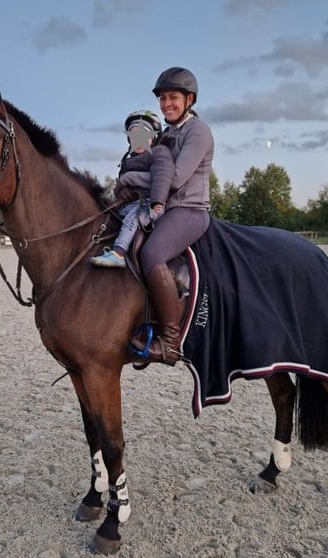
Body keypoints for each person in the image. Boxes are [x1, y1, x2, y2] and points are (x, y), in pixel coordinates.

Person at [120, 67, 214, 365]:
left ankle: (171, 341)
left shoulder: (197, 131)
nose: (165, 104)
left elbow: (174, 180)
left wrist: (130, 181)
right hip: (161, 208)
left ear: (189, 99)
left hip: (188, 210)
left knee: (152, 254)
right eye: (162, 98)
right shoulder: (167, 133)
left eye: (172, 97)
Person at [90, 110, 174, 268]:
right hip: (131, 205)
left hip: (151, 205)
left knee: (134, 217)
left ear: (153, 138)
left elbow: (162, 175)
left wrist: (157, 201)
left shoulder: (159, 153)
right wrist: (121, 193)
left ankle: (119, 253)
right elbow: (120, 186)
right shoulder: (127, 161)